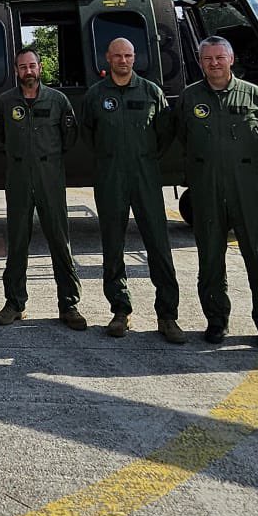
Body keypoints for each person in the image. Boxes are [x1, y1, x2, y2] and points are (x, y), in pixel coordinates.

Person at [161, 36, 258, 347]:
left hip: (246, 189)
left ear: (231, 59)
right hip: (206, 189)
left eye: (219, 57)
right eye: (207, 58)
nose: (214, 63)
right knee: (210, 259)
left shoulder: (254, 95)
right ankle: (217, 320)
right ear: (200, 63)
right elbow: (184, 137)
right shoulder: (190, 97)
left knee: (257, 256)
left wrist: (241, 167)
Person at [80, 37, 184, 344]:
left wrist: (144, 158)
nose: (123, 60)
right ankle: (120, 310)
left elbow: (164, 133)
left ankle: (167, 315)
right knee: (113, 245)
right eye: (117, 56)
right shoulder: (95, 95)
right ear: (107, 59)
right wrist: (112, 157)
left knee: (158, 245)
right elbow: (89, 134)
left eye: (128, 55)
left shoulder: (151, 92)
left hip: (145, 176)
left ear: (134, 58)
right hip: (110, 175)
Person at [0, 49, 85, 330]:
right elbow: (1, 134)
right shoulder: (5, 102)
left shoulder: (57, 100)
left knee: (59, 240)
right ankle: (14, 303)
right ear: (17, 70)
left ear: (40, 68)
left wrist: (47, 157)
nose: (28, 71)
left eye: (32, 66)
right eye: (23, 67)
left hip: (49, 178)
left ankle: (69, 304)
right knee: (17, 241)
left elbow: (69, 136)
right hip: (19, 177)